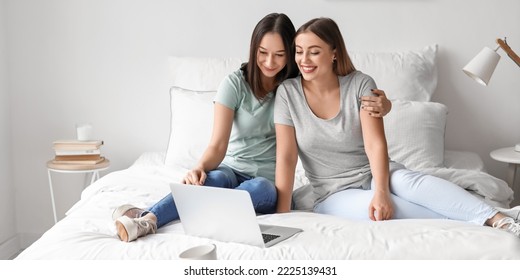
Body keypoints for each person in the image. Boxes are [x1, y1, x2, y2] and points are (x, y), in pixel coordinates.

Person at [111, 13, 393, 242]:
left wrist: (385, 105)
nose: (270, 63)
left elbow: (337, 93)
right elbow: (218, 145)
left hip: (267, 183)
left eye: (280, 55)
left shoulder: (295, 87)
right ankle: (148, 219)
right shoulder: (234, 84)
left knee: (257, 187)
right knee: (215, 181)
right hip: (231, 169)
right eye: (263, 53)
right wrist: (199, 167)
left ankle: (190, 211)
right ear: (254, 49)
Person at [273, 17, 520, 237]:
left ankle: (499, 219)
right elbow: (286, 157)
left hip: (376, 173)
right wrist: (281, 215)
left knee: (410, 183)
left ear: (334, 53)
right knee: (392, 209)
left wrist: (381, 191)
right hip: (332, 193)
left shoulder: (360, 84)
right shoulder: (288, 93)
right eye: (299, 51)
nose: (304, 60)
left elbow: (375, 144)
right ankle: (484, 221)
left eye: (314, 52)